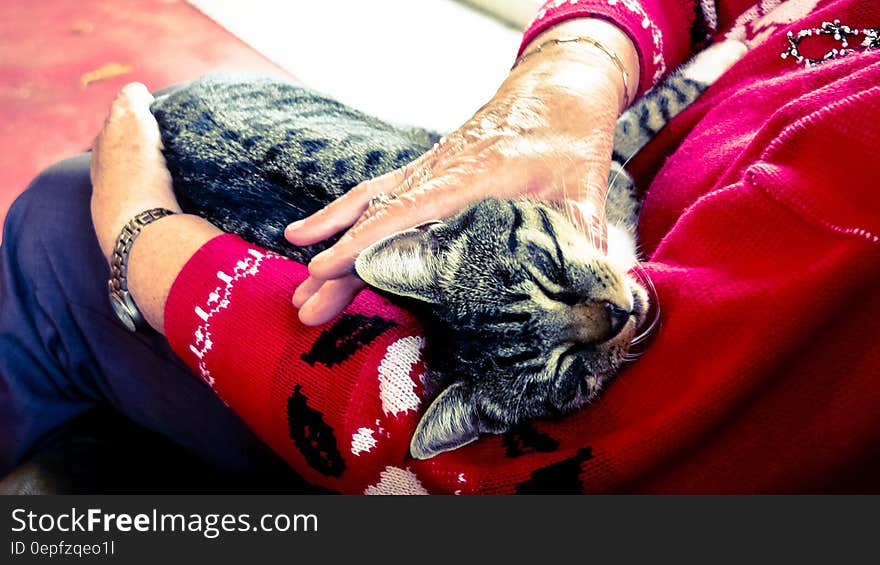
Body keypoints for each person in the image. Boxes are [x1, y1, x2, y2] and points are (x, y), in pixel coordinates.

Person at [2, 0, 878, 493]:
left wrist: (144, 241)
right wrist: (576, 62)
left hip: (420, 438)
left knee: (57, 214)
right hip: (552, 207)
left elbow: (508, 476)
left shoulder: (853, 195)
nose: (612, 311)